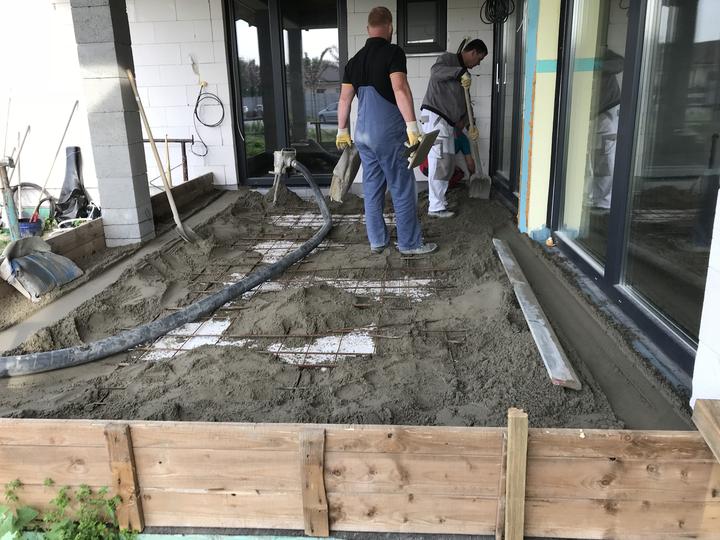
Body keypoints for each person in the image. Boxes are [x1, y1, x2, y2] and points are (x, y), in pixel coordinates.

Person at [336, 6, 436, 256]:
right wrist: (412, 126)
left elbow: (344, 100)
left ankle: (377, 241)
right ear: (390, 27)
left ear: (368, 29)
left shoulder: (354, 61)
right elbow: (400, 88)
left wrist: (341, 130)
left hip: (363, 135)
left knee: (372, 188)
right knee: (402, 187)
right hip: (387, 134)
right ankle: (409, 243)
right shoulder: (393, 52)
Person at [420, 39, 487, 217]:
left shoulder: (466, 76)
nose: (478, 63)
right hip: (435, 116)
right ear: (472, 52)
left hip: (447, 122)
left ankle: (439, 202)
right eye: (479, 59)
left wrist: (470, 124)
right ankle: (435, 207)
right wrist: (459, 73)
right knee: (440, 161)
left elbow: (465, 103)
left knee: (447, 163)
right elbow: (435, 72)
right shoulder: (447, 59)